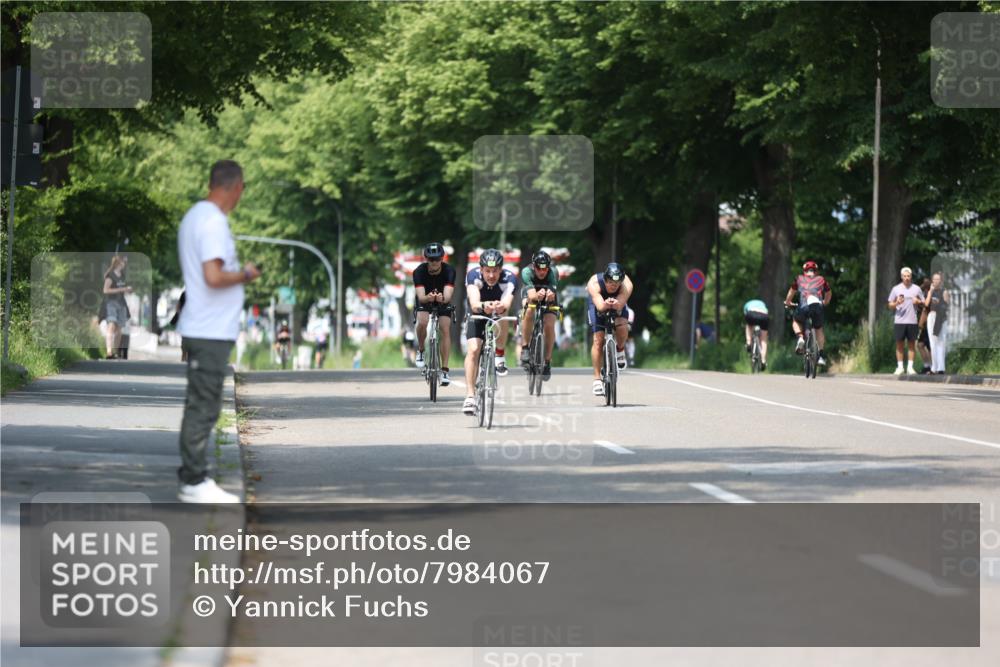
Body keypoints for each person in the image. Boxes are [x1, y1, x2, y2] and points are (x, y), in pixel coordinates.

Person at [176, 159, 260, 504]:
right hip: (208, 329)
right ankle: (193, 480)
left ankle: (196, 477)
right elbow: (213, 276)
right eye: (242, 190)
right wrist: (246, 274)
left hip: (208, 328)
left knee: (205, 403)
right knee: (203, 406)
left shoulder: (198, 216)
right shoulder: (211, 222)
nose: (241, 196)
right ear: (235, 187)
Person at [462, 249, 517, 414]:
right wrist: (483, 306)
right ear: (481, 269)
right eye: (487, 271)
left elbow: (507, 300)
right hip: (478, 311)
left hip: (498, 311)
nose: (491, 275)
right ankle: (470, 396)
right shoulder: (473, 276)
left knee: (504, 315)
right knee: (473, 350)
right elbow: (473, 302)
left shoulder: (510, 278)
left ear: (501, 270)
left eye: (495, 271)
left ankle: (499, 354)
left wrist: (501, 306)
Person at [412, 242, 456, 386]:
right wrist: (429, 298)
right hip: (425, 299)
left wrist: (441, 298)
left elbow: (448, 296)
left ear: (442, 259)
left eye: (437, 259)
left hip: (442, 299)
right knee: (423, 321)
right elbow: (421, 297)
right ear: (426, 260)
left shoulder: (449, 271)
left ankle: (444, 370)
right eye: (431, 260)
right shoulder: (419, 271)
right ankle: (421, 350)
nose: (434, 263)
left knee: (445, 328)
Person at [587, 262, 633, 396]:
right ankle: (596, 379)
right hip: (597, 302)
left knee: (622, 324)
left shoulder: (627, 284)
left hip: (618, 301)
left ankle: (620, 349)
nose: (614, 286)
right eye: (611, 282)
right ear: (605, 279)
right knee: (598, 340)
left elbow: (621, 303)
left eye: (617, 283)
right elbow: (600, 306)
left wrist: (616, 304)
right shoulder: (594, 283)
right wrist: (604, 304)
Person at [518, 250, 559, 381]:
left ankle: (547, 362)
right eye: (538, 268)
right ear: (533, 266)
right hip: (531, 292)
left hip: (548, 295)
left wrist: (549, 295)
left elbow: (552, 293)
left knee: (549, 324)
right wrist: (537, 295)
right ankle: (525, 347)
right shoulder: (526, 272)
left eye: (545, 269)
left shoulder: (553, 273)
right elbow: (531, 296)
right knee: (529, 309)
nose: (542, 272)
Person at [785, 260, 832, 366]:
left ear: (804, 271)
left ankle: (800, 338)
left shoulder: (799, 279)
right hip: (817, 307)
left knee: (796, 321)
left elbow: (791, 292)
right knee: (819, 329)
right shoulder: (821, 279)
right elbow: (828, 293)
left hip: (804, 307)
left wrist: (788, 302)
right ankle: (820, 356)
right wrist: (825, 302)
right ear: (816, 272)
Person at [886, 266, 925, 376]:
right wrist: (897, 303)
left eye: (908, 276)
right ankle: (900, 367)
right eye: (905, 276)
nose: (907, 278)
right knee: (899, 344)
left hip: (912, 321)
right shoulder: (896, 289)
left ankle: (910, 368)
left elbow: (924, 303)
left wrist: (917, 301)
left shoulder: (917, 288)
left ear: (911, 276)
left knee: (912, 344)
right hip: (899, 321)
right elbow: (889, 305)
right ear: (901, 277)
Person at [102, 255, 131, 359]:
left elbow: (122, 288)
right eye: (124, 262)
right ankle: (109, 351)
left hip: (121, 303)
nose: (125, 264)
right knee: (111, 326)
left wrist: (127, 290)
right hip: (111, 303)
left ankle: (115, 352)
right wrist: (121, 290)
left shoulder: (122, 275)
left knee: (119, 329)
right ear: (119, 263)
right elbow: (105, 290)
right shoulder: (110, 275)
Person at [924, 271, 950, 375]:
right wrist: (930, 291)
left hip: (941, 317)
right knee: (933, 342)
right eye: (934, 279)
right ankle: (933, 367)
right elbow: (926, 304)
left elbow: (947, 304)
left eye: (938, 279)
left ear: (941, 281)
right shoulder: (931, 291)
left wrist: (945, 297)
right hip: (932, 316)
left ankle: (941, 368)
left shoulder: (944, 291)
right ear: (932, 281)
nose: (936, 281)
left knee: (941, 341)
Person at [742, 297, 770, 371]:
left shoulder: (747, 305)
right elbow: (766, 311)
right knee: (763, 339)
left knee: (749, 326)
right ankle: (763, 360)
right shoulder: (763, 304)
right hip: (764, 315)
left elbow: (745, 314)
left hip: (751, 313)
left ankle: (748, 342)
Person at [916, 278, 933, 374]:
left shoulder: (931, 294)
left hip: (931, 323)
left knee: (930, 346)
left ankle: (932, 367)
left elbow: (926, 308)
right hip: (925, 324)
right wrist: (923, 285)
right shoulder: (923, 293)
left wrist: (920, 324)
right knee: (920, 344)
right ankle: (927, 366)